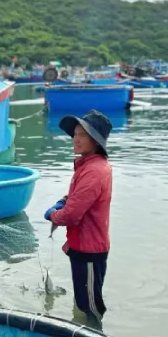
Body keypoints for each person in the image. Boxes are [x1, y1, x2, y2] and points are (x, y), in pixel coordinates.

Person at [45, 109, 113, 325]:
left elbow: (72, 215)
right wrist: (63, 201)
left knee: (92, 307)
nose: (76, 139)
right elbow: (77, 197)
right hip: (82, 246)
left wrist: (54, 215)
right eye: (75, 134)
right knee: (84, 300)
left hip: (89, 250)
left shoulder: (94, 171)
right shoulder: (88, 166)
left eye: (82, 135)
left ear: (96, 141)